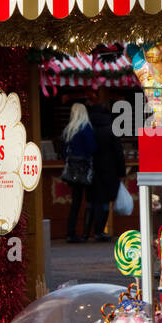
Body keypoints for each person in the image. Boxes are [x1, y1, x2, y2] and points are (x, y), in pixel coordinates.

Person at [88, 88, 126, 241]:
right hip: (109, 170)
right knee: (105, 201)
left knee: (93, 200)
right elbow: (119, 152)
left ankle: (89, 232)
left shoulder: (88, 127)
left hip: (92, 169)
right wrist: (122, 172)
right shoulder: (111, 129)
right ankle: (101, 231)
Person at [61, 102, 96, 243]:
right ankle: (86, 232)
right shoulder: (86, 128)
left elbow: (64, 152)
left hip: (72, 170)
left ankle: (71, 232)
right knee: (89, 200)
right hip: (85, 168)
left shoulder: (69, 129)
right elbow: (92, 147)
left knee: (75, 202)